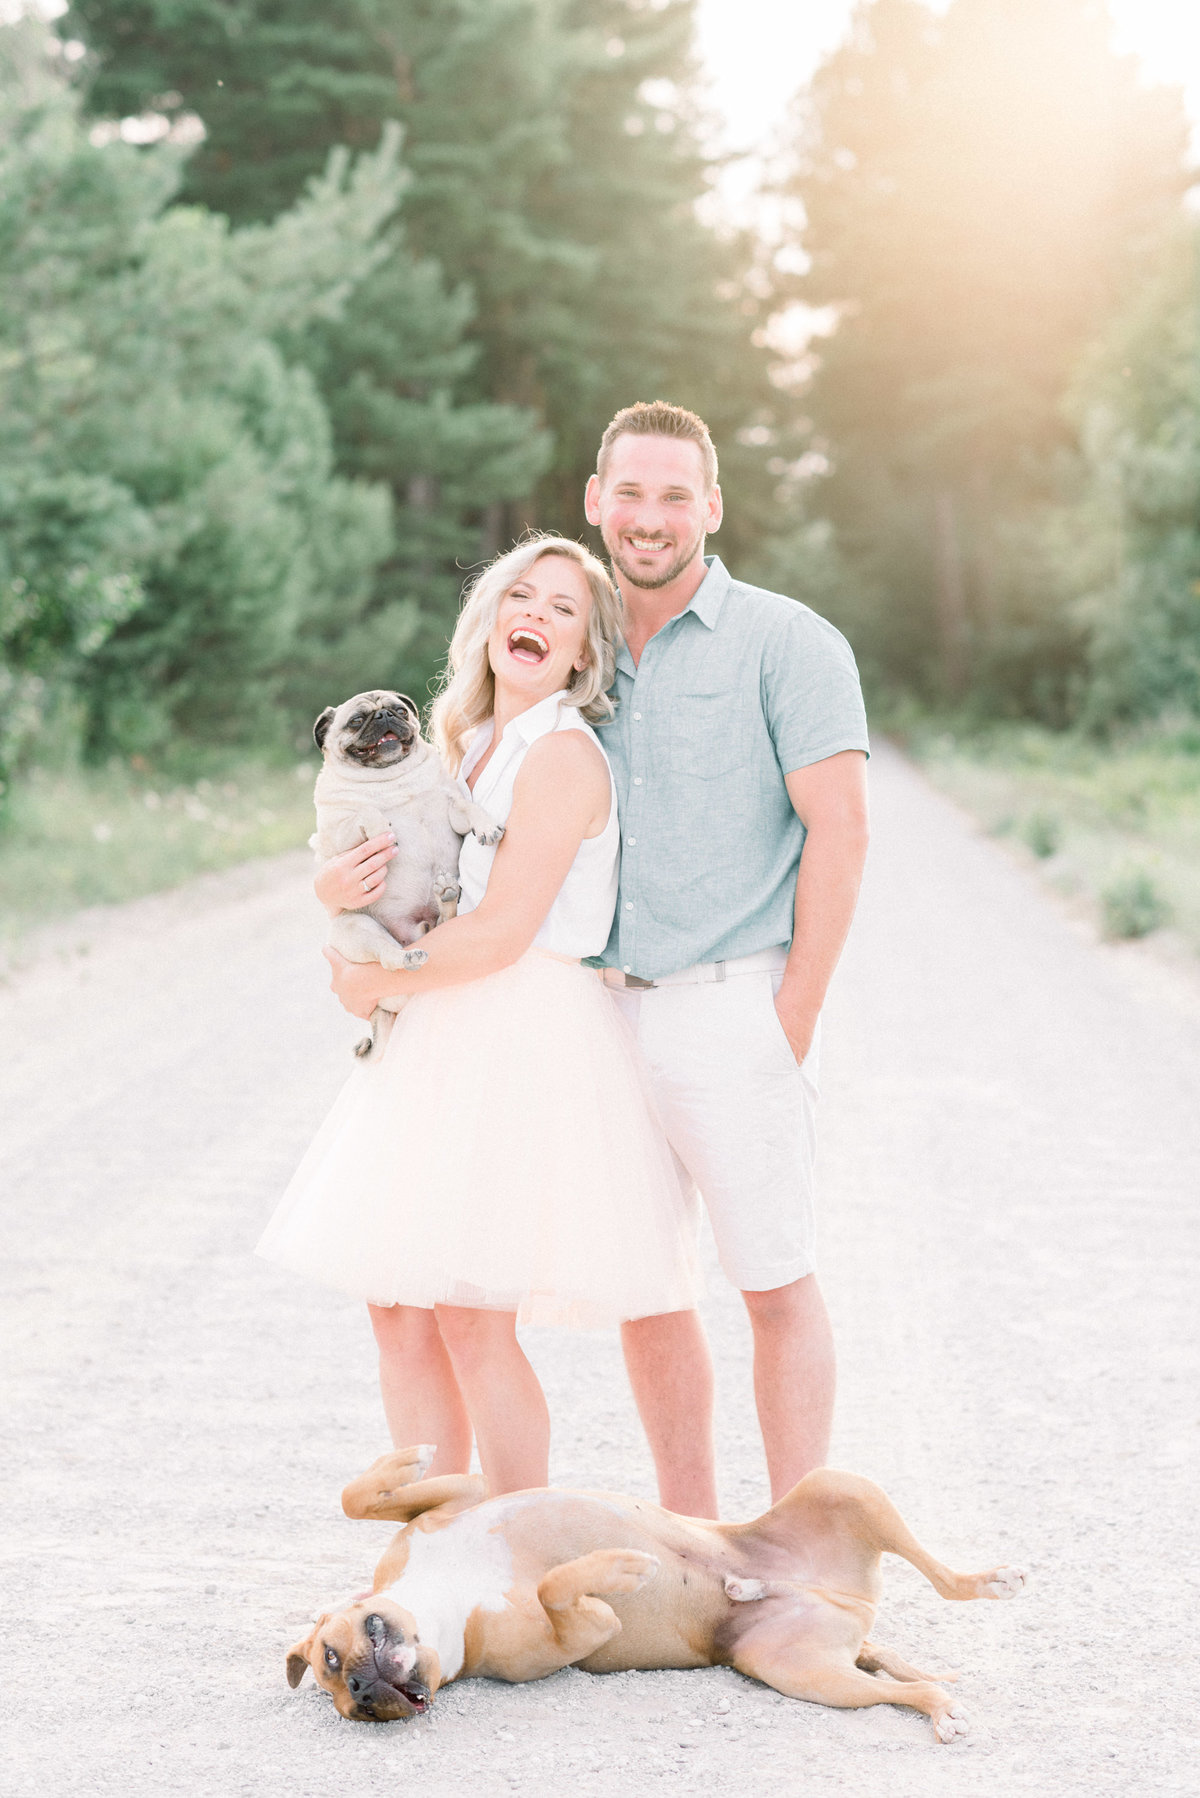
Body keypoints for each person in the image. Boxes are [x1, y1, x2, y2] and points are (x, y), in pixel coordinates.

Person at [257, 535, 699, 1497]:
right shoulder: (456, 742)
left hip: (516, 1031)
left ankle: (511, 1541)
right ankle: (433, 1533)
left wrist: (378, 983)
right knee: (397, 1303)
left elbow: (501, 935)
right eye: (521, 598)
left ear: (584, 651)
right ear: (491, 617)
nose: (535, 616)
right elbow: (390, 868)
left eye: (564, 609)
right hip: (440, 1023)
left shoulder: (564, 758)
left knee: (468, 1311)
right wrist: (330, 882)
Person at [584, 401, 871, 1519]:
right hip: (602, 1014)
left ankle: (801, 1550)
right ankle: (692, 1544)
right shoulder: (576, 640)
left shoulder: (787, 640)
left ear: (711, 506)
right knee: (649, 1291)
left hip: (733, 1005)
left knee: (773, 1283)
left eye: (673, 495)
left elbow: (842, 832)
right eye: (630, 493)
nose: (649, 517)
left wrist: (790, 1015)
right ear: (595, 502)